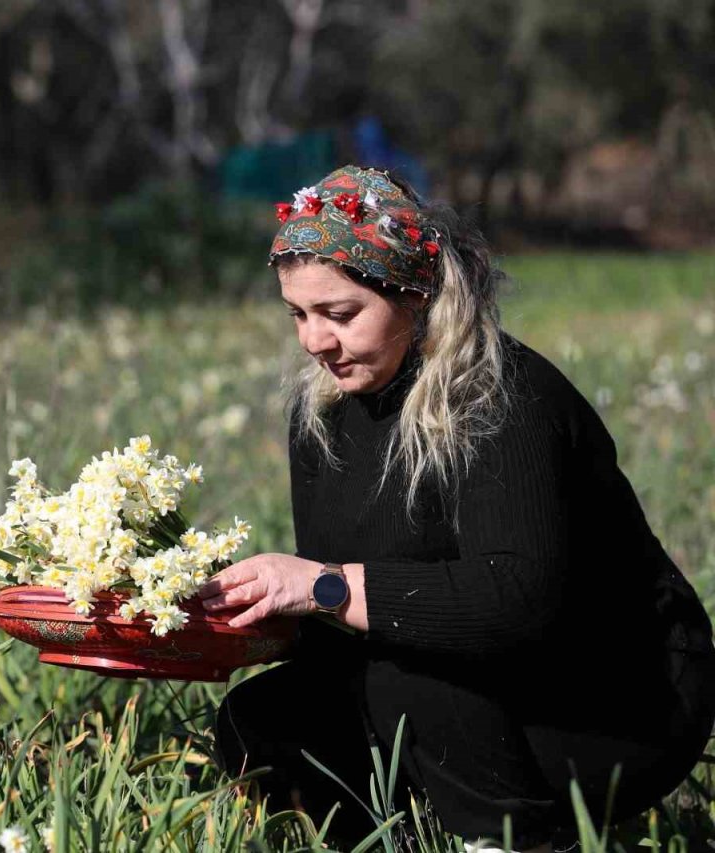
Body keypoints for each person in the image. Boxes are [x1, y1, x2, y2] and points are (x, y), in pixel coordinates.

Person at [197, 166, 715, 850]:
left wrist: (319, 584)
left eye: (340, 313)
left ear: (416, 297)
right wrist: (230, 620)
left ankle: (519, 837)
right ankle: (388, 837)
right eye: (298, 313)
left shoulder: (505, 396)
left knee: (408, 674)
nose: (313, 342)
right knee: (260, 719)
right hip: (468, 680)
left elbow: (518, 600)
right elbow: (347, 619)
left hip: (618, 689)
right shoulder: (320, 412)